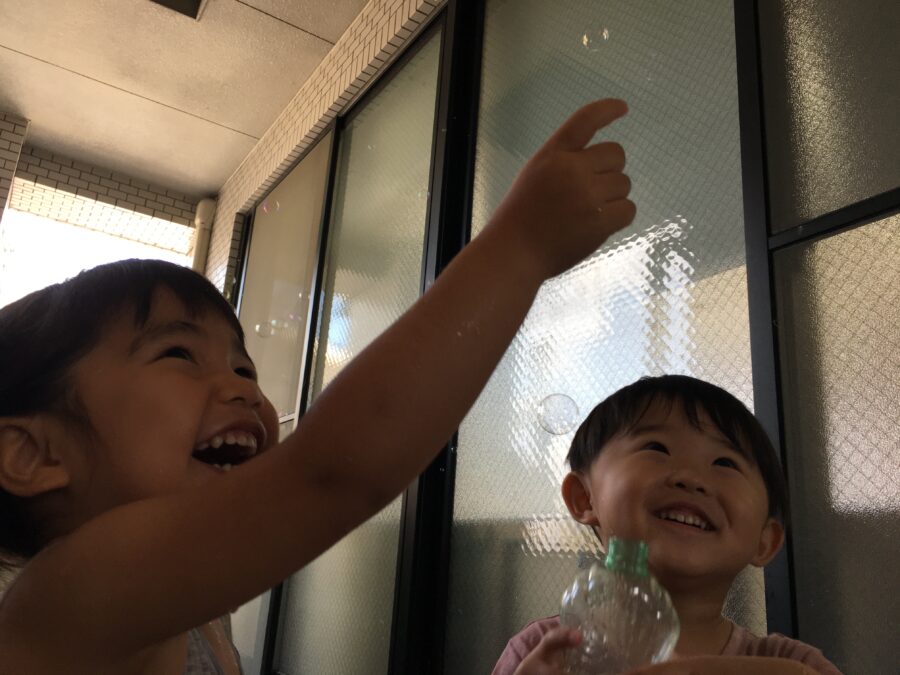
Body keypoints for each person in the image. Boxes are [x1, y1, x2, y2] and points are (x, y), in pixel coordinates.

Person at [0, 99, 634, 674]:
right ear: (31, 454)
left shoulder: (197, 616)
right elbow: (329, 472)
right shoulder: (65, 596)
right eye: (178, 354)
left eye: (243, 368)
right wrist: (522, 243)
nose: (243, 390)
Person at [493, 375, 843, 675]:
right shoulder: (542, 653)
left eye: (725, 462)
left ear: (765, 541)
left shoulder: (793, 664)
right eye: (657, 448)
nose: (691, 477)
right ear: (584, 498)